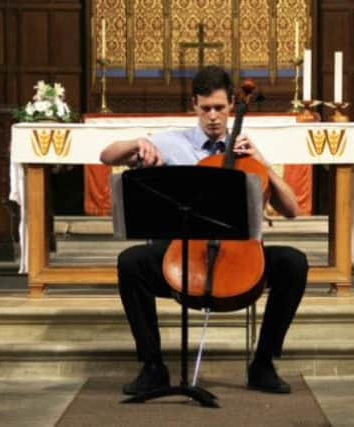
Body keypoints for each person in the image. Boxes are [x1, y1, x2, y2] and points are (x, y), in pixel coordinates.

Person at [100, 65, 308, 395]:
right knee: (131, 262)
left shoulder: (246, 153)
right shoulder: (170, 143)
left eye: (220, 108)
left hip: (238, 256)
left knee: (293, 262)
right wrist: (137, 143)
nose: (213, 116)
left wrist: (263, 163)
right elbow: (107, 156)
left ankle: (264, 363)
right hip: (183, 253)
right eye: (205, 108)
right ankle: (152, 365)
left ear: (231, 108)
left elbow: (292, 211)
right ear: (194, 106)